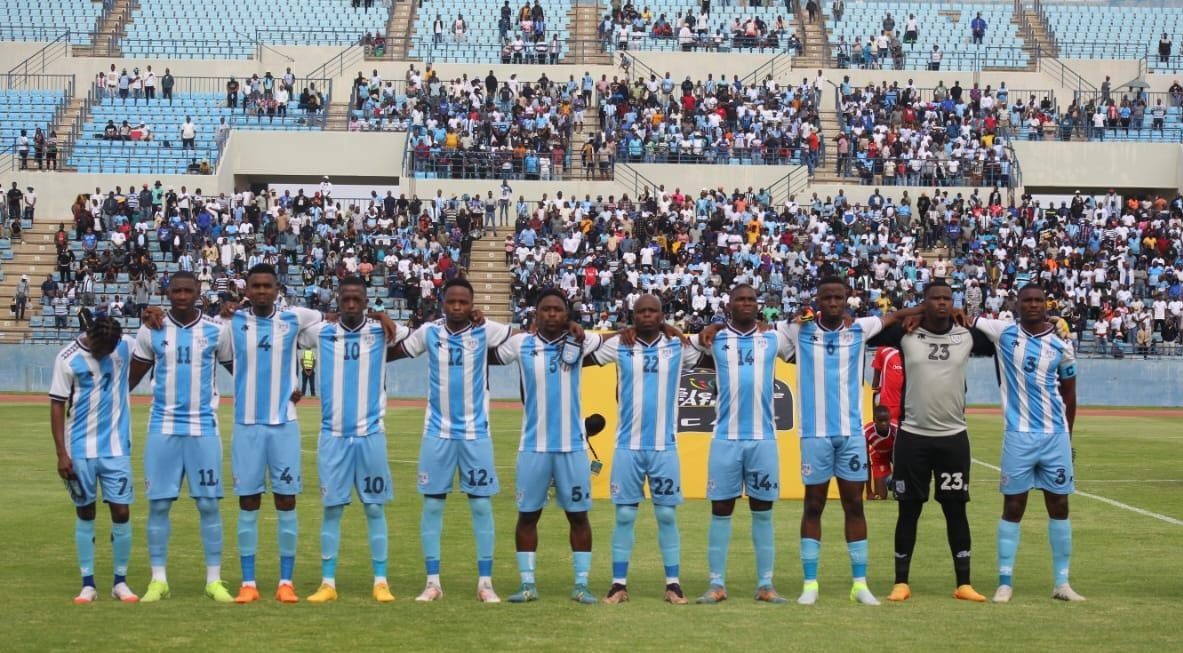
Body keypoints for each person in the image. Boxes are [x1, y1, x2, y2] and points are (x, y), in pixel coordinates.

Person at [775, 278, 923, 605]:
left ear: (846, 300)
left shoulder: (860, 328)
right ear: (817, 299)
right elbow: (760, 331)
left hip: (851, 434)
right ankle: (810, 585)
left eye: (837, 296)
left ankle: (860, 584)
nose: (832, 301)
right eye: (826, 296)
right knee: (813, 505)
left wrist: (926, 308)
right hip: (814, 434)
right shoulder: (799, 330)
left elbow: (895, 316)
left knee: (854, 504)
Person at [389, 278, 512, 603]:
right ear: (443, 303)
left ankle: (485, 583)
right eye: (451, 302)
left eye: (463, 302)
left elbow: (524, 336)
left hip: (476, 434)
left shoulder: (486, 331)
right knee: (432, 506)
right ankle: (433, 583)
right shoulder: (430, 332)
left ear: (472, 305)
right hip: (437, 433)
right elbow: (396, 348)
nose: (457, 307)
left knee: (482, 506)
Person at [871, 280, 995, 603]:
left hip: (953, 438)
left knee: (956, 511)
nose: (941, 303)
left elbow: (1004, 339)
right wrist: (914, 312)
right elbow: (875, 327)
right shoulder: (906, 333)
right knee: (908, 511)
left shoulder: (966, 334)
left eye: (946, 299)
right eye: (934, 299)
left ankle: (964, 583)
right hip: (913, 438)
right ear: (924, 302)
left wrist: (968, 314)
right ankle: (901, 582)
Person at [216, 263, 323, 604]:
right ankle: (248, 583)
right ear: (245, 290)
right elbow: (216, 352)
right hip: (246, 425)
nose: (262, 290)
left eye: (268, 285)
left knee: (286, 501)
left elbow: (331, 322)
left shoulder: (294, 319)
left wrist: (294, 382)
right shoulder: (231, 323)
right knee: (248, 502)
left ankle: (285, 582)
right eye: (256, 285)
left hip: (284, 425)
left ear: (278, 289)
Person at [128, 271, 235, 603]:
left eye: (189, 290)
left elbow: (241, 373)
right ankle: (158, 580)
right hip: (163, 427)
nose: (183, 296)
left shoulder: (217, 331)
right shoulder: (152, 329)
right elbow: (129, 380)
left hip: (204, 428)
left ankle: (213, 580)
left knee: (208, 504)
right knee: (159, 504)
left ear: (199, 292)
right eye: (177, 290)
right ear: (168, 292)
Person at [974, 285, 1085, 603]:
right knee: (1013, 506)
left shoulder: (1062, 346)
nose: (1033, 305)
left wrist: (1069, 437)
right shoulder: (1003, 332)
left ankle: (1062, 583)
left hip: (1055, 436)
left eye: (1038, 300)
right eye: (1027, 300)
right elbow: (965, 318)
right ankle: (1005, 581)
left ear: (1046, 304)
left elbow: (1070, 393)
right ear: (1017, 305)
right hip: (1018, 435)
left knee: (1060, 505)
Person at [492, 289, 603, 604]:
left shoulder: (581, 343)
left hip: (572, 447)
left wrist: (579, 329)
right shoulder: (521, 344)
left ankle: (581, 585)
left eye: (558, 310)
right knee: (528, 516)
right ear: (536, 314)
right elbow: (485, 354)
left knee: (578, 516)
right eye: (546, 309)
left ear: (566, 315)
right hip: (533, 447)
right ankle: (527, 585)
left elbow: (618, 340)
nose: (552, 314)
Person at [590, 294, 699, 605]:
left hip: (664, 446)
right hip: (627, 446)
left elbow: (713, 347)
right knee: (624, 515)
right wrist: (614, 332)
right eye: (642, 311)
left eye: (653, 311)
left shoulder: (677, 345)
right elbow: (588, 346)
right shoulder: (620, 344)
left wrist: (698, 329)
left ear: (662, 314)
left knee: (666, 515)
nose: (647, 316)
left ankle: (674, 584)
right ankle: (618, 584)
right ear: (633, 315)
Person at [690, 285, 795, 604]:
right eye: (741, 299)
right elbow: (678, 343)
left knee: (763, 511)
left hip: (763, 439)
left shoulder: (773, 338)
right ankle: (716, 584)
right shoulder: (714, 339)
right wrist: (709, 327)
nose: (747, 303)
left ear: (758, 305)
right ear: (729, 304)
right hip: (725, 439)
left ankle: (766, 585)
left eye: (752, 299)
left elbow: (809, 321)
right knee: (721, 509)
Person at [302, 277, 397, 604]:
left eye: (358, 298)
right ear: (338, 301)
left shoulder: (380, 332)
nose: (352, 304)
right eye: (347, 299)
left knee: (373, 507)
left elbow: (420, 333)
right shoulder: (320, 332)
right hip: (333, 437)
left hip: (370, 436)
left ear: (366, 301)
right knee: (332, 510)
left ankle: (381, 581)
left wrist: (386, 317)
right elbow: (282, 327)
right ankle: (327, 582)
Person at [49, 311, 142, 604]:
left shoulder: (123, 344)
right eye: (104, 349)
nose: (109, 353)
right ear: (92, 338)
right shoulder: (67, 357)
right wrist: (61, 453)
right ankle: (88, 583)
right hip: (80, 449)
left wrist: (154, 316)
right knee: (86, 512)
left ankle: (120, 582)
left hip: (116, 448)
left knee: (122, 512)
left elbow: (152, 337)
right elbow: (56, 406)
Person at [863, 406, 898, 500]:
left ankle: (895, 483)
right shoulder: (866, 432)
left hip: (894, 454)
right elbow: (866, 462)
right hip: (879, 457)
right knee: (881, 496)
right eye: (880, 421)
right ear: (874, 420)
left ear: (890, 419)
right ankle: (886, 480)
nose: (884, 424)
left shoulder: (896, 428)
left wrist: (897, 475)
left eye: (886, 420)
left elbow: (901, 455)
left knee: (901, 494)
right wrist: (869, 492)